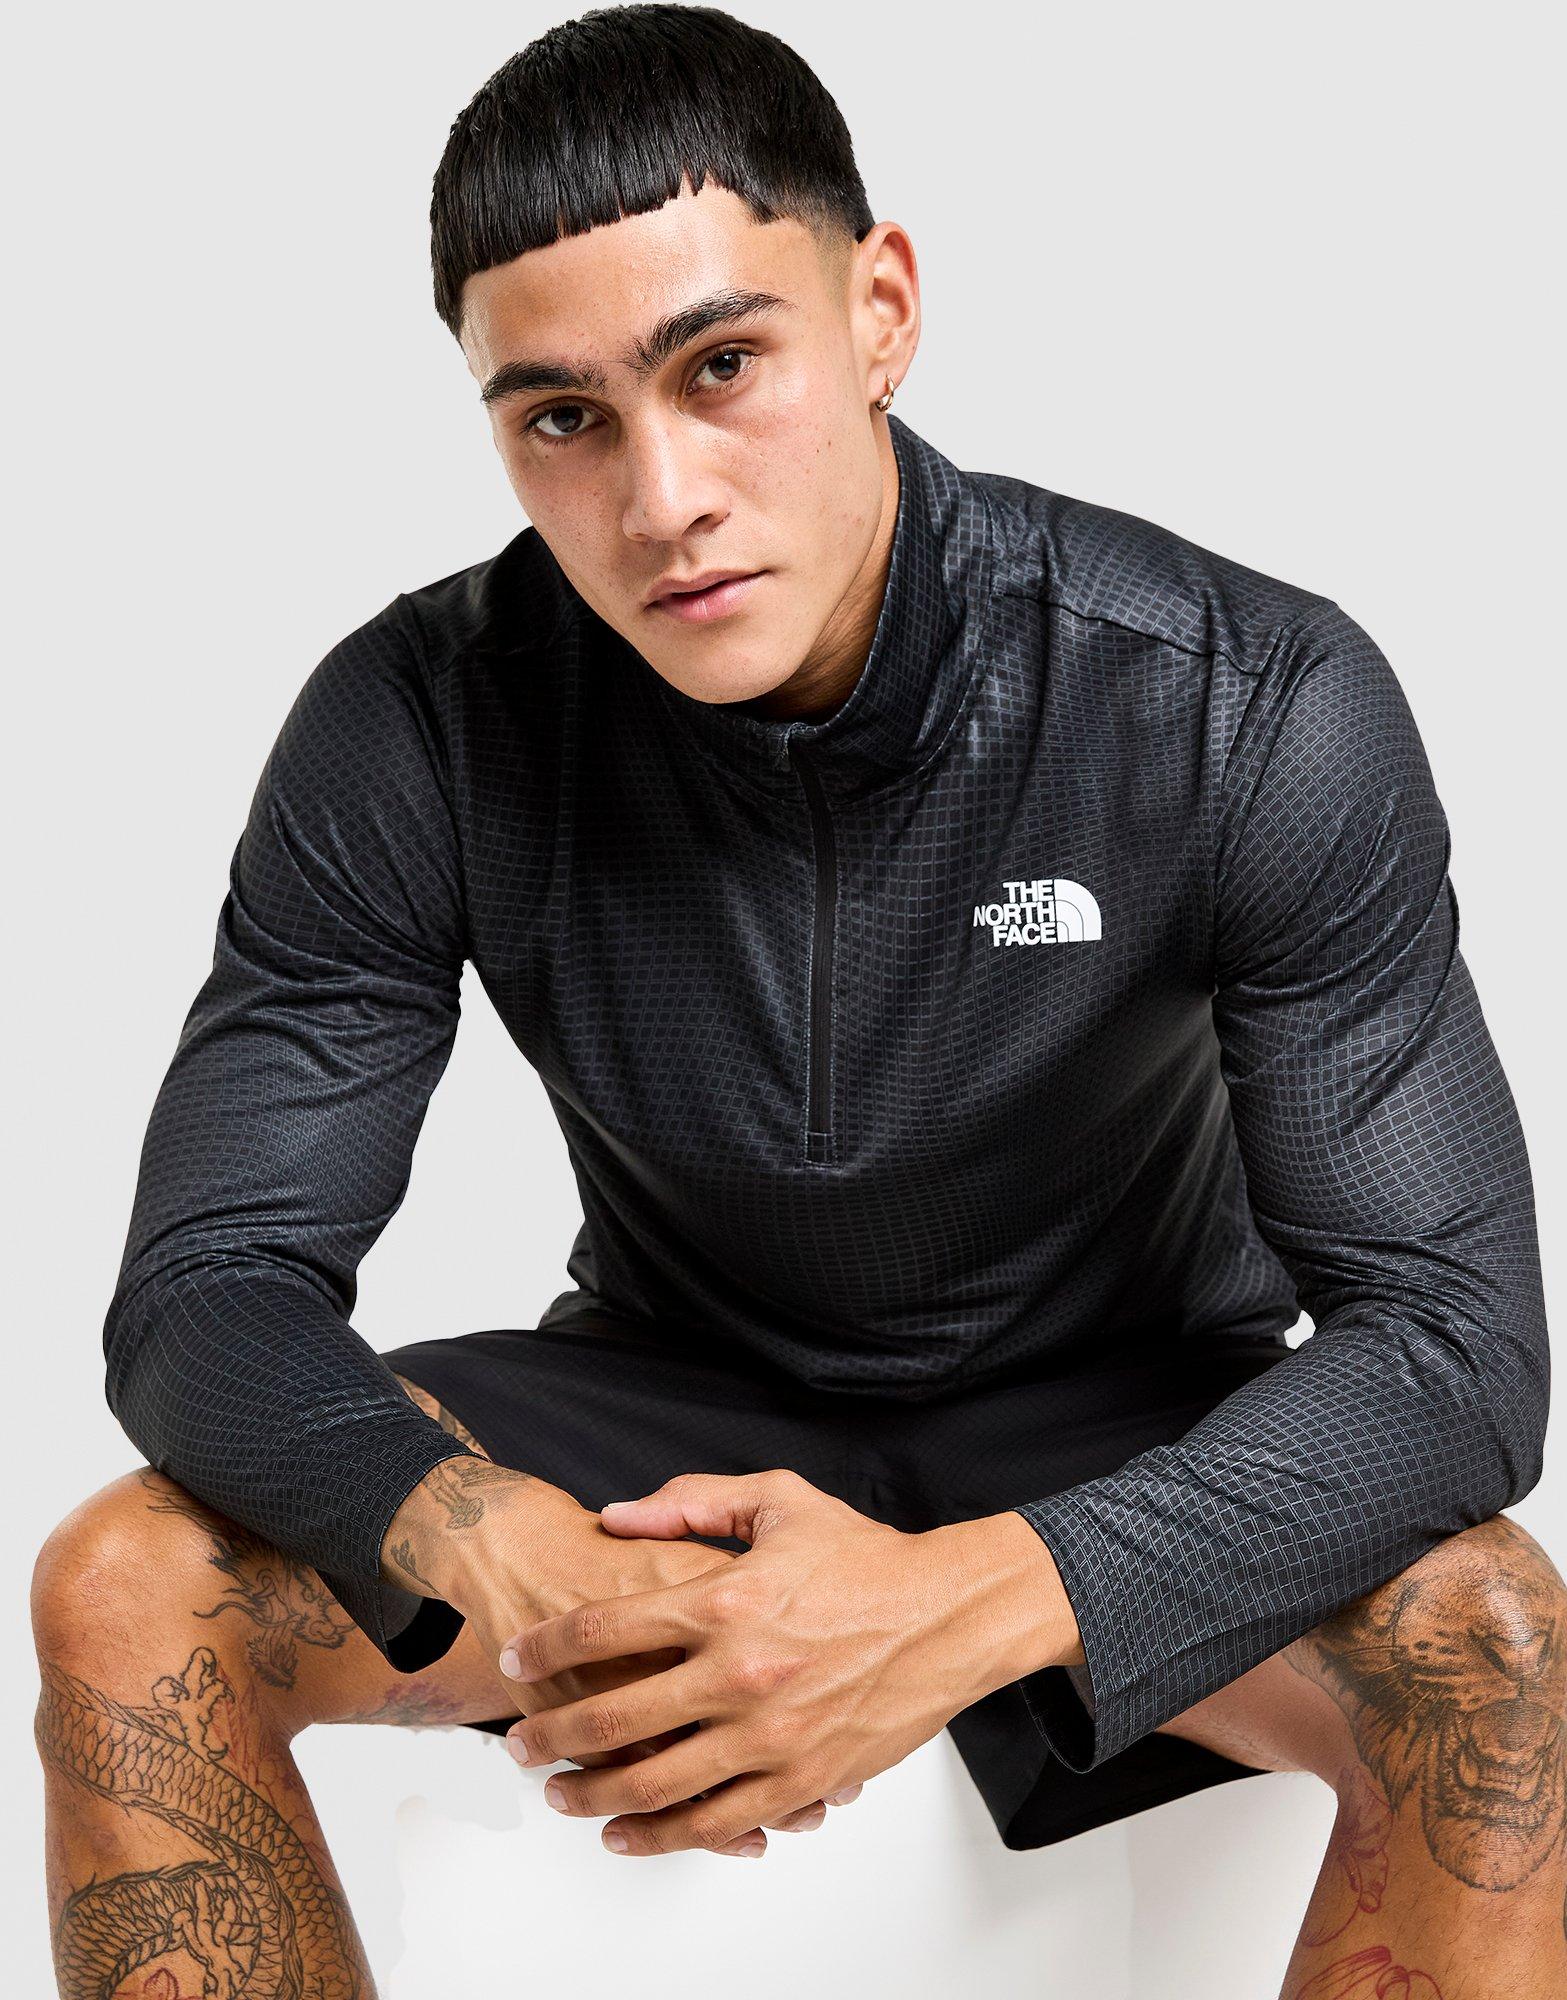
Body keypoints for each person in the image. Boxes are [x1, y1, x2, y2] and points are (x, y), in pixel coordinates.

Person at [31, 5, 1561, 1992]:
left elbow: (1454, 1347)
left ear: (881, 310)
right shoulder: (417, 720)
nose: (659, 495)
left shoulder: (1243, 697)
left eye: (721, 366)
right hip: (658, 1420)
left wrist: (954, 1605)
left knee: (1495, 1649)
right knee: (124, 1583)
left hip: (1126, 1422)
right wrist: (484, 1527)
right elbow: (204, 1289)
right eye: (560, 418)